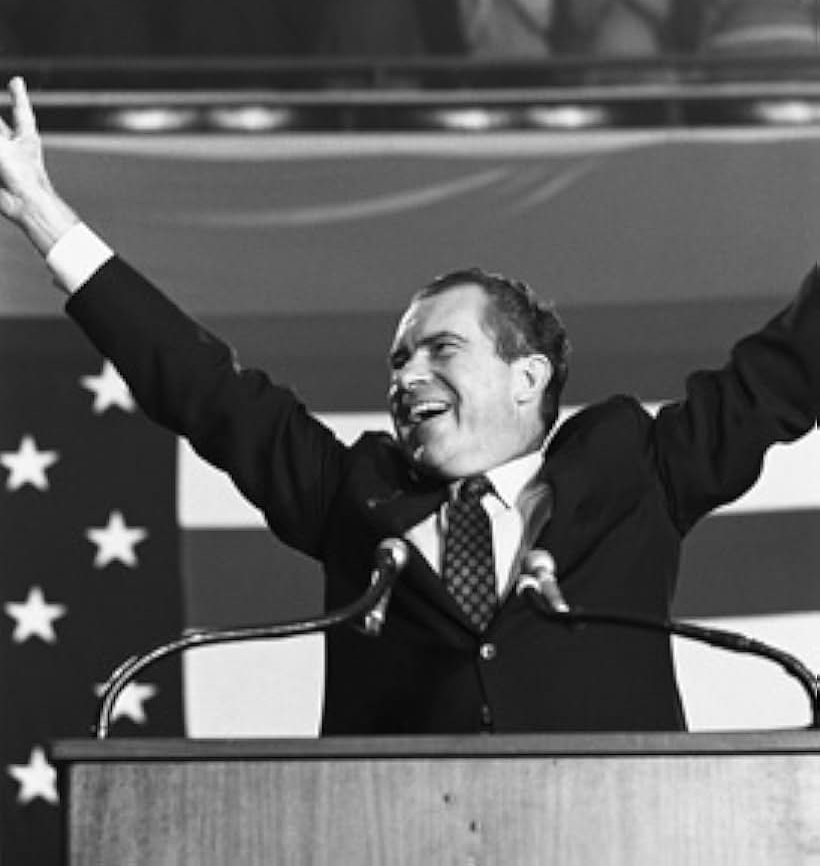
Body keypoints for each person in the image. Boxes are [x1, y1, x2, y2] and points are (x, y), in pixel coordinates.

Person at [0, 75, 819, 735]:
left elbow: (782, 374)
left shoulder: (634, 468)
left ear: (526, 376)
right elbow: (198, 386)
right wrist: (42, 214)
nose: (406, 377)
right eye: (398, 360)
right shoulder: (351, 493)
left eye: (442, 349)